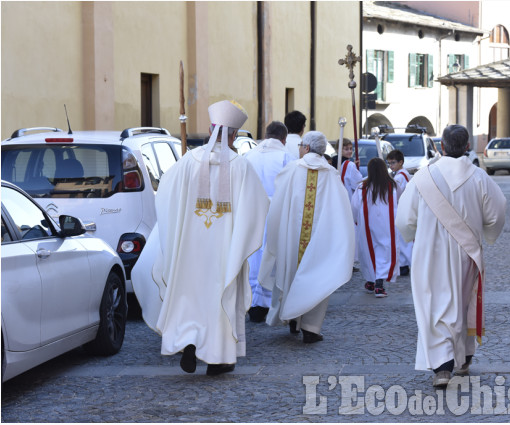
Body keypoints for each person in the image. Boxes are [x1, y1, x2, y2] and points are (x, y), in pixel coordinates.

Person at [131, 100, 269, 376]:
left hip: (189, 250)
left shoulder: (187, 162)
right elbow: (259, 205)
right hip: (225, 250)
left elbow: (166, 198)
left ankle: (189, 342)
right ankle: (218, 359)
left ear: (209, 129)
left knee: (189, 296)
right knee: (220, 297)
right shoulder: (241, 167)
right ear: (233, 135)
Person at [395, 124, 506, 388]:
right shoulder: (480, 178)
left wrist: (412, 233)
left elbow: (405, 218)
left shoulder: (423, 178)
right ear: (467, 147)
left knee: (434, 307)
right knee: (463, 303)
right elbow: (497, 212)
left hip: (428, 253)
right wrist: (487, 233)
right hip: (466, 252)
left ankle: (443, 367)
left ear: (441, 146)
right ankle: (465, 358)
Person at [258, 131, 355, 343]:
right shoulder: (331, 174)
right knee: (318, 276)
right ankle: (311, 328)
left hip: (292, 236)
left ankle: (293, 318)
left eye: (301, 145)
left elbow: (278, 205)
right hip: (321, 237)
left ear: (308, 148)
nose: (299, 148)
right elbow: (340, 210)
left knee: (291, 272)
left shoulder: (292, 169)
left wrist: (276, 230)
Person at [243, 121, 294, 322]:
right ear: (283, 139)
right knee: (270, 255)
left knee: (252, 254)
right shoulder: (286, 157)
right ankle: (264, 303)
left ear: (265, 135)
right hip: (276, 212)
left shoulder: (248, 155)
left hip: (252, 210)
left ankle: (250, 301)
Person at [351, 157, 399, 298]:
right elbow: (400, 201)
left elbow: (354, 207)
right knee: (383, 253)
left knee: (368, 253)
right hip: (386, 225)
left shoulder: (362, 188)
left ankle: (373, 281)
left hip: (367, 225)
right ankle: (377, 283)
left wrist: (355, 220)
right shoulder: (393, 186)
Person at [386, 149, 413, 276]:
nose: (391, 165)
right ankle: (404, 263)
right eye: (389, 163)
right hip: (405, 208)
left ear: (401, 162)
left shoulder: (400, 176)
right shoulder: (403, 174)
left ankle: (404, 264)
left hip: (401, 208)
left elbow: (396, 194)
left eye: (393, 163)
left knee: (402, 239)